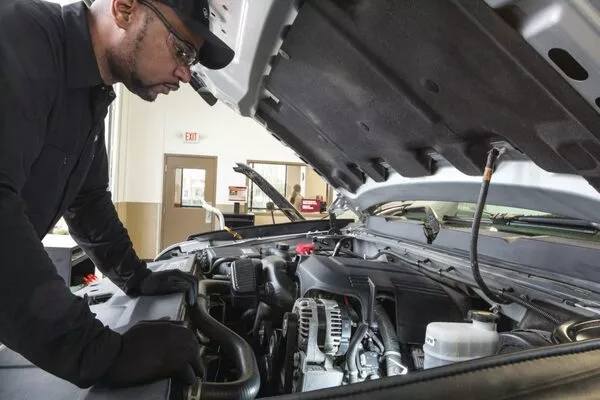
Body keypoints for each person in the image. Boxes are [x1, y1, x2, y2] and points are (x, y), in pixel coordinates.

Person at [0, 0, 233, 389]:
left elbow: (88, 202)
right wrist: (97, 352)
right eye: (182, 51)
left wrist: (136, 276)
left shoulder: (92, 94)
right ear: (124, 9)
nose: (184, 74)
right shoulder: (22, 36)